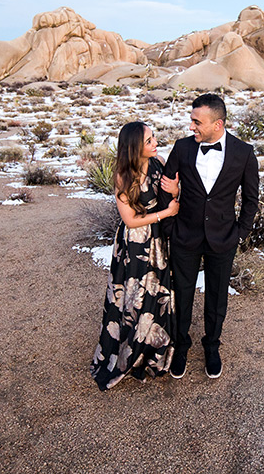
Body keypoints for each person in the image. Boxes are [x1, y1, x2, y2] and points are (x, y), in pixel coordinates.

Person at [160, 93, 259, 379]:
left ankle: (212, 347)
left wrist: (240, 233)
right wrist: (170, 227)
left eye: (196, 122)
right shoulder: (181, 148)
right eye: (191, 121)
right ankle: (180, 347)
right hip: (185, 236)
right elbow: (165, 187)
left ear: (218, 124)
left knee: (217, 298)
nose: (191, 127)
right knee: (183, 294)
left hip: (223, 238)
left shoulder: (244, 153)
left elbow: (251, 199)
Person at [90, 121, 180, 391]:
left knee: (159, 291)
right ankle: (132, 350)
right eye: (149, 140)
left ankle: (154, 348)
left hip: (158, 239)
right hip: (136, 244)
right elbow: (130, 220)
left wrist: (175, 192)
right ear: (134, 147)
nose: (155, 143)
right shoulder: (122, 175)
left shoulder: (159, 162)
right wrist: (166, 214)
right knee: (134, 294)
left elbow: (172, 192)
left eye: (153, 138)